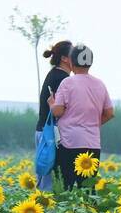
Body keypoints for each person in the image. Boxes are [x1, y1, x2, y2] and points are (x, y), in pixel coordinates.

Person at [48, 44, 114, 191]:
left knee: (69, 187)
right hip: (92, 143)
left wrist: (52, 103)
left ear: (71, 61)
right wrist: (94, 124)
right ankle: (90, 211)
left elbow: (58, 111)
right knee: (89, 187)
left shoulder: (67, 82)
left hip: (70, 142)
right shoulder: (100, 84)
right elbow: (110, 113)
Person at [36, 40, 72, 190]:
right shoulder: (62, 79)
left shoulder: (55, 74)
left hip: (44, 131)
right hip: (50, 135)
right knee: (50, 184)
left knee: (45, 180)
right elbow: (60, 109)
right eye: (73, 54)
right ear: (64, 58)